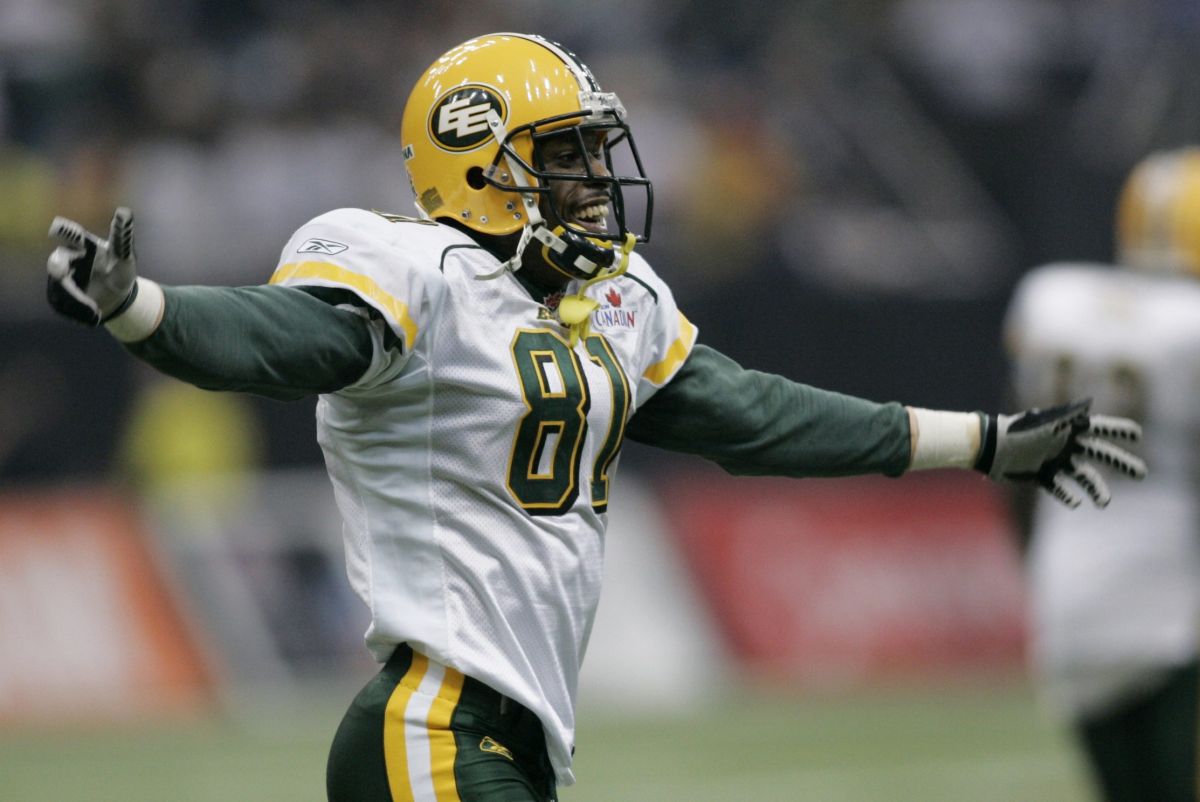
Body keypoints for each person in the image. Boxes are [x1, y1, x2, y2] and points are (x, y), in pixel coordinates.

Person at [45, 32, 1146, 802]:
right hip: (431, 725)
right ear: (479, 160)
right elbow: (282, 340)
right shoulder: (408, 268)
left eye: (588, 152)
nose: (592, 180)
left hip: (507, 738)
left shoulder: (610, 301)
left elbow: (750, 415)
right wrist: (141, 307)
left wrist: (984, 441)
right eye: (562, 154)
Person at [1004, 146, 1200, 802]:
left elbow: (1016, 465)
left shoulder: (1054, 298)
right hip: (1171, 609)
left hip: (1070, 602)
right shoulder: (1189, 328)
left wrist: (1034, 566)